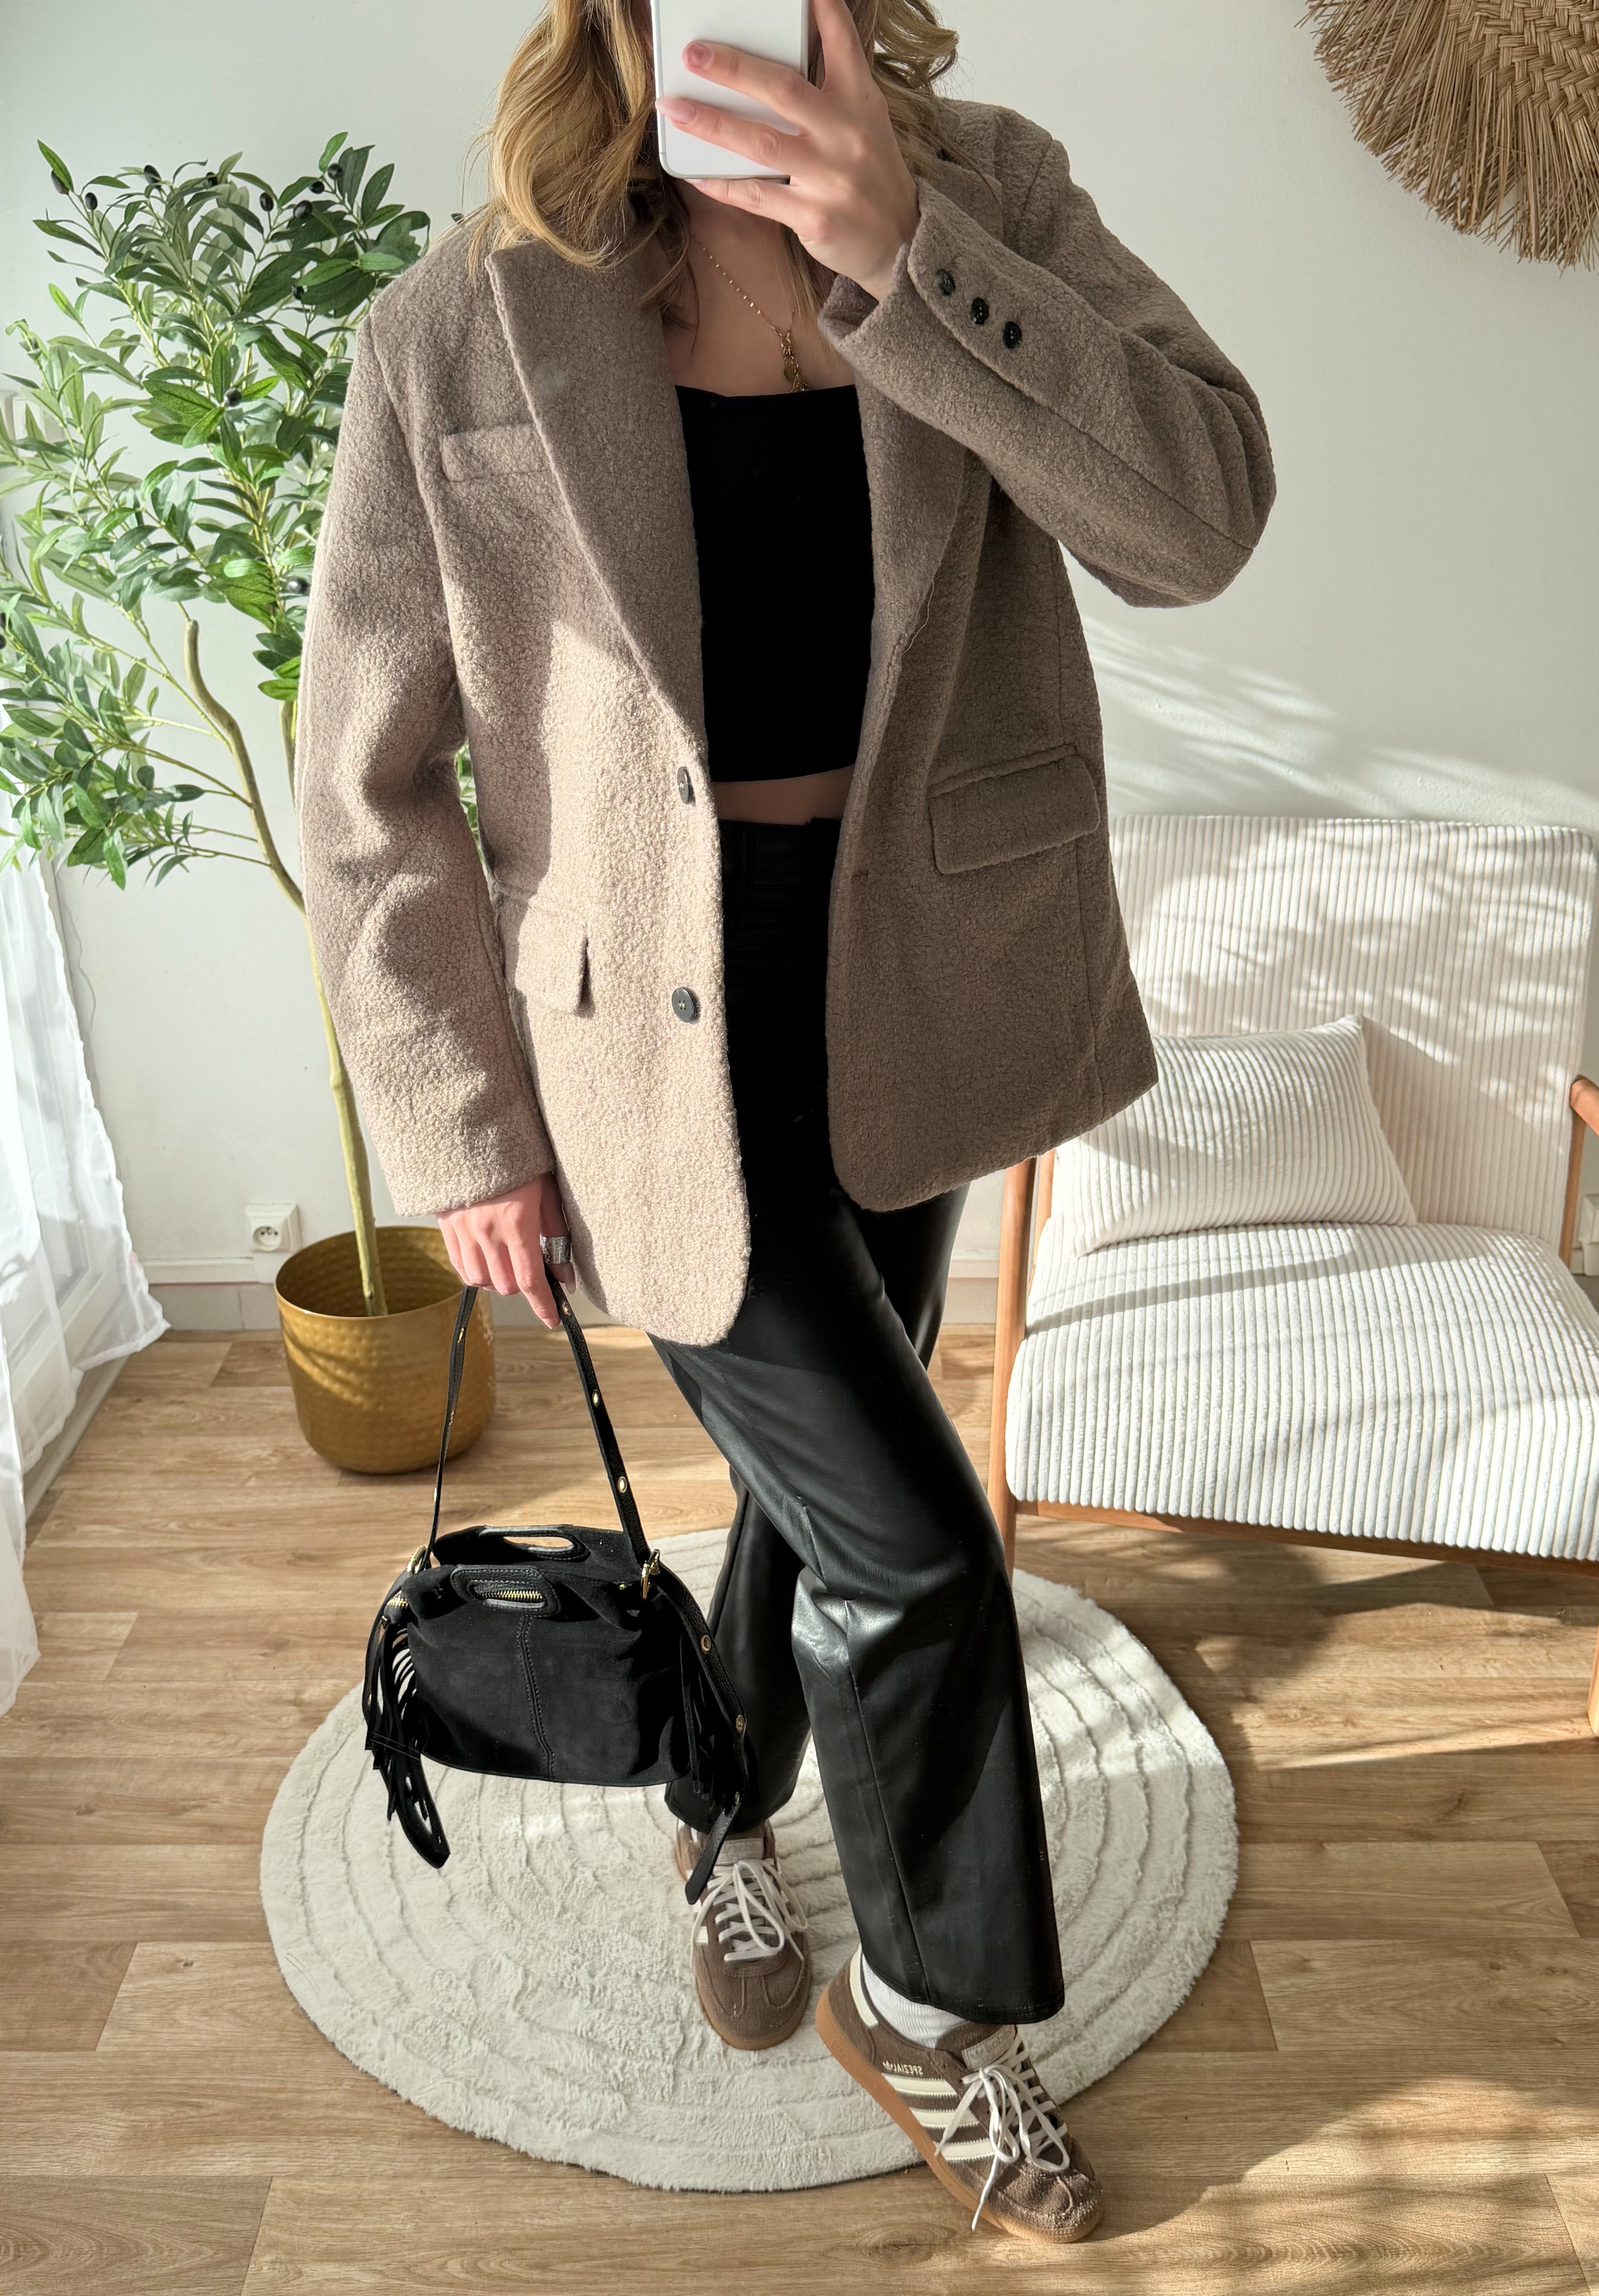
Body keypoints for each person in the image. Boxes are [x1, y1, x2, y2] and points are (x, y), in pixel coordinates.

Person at [296, 0, 1273, 2244]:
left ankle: (720, 1815)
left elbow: (1198, 523)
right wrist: (460, 1126)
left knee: (814, 1486)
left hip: (922, 966)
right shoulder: (464, 316)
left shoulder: (990, 194)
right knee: (915, 1544)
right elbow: (367, 787)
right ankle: (940, 2011)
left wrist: (908, 248)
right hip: (635, 1029)